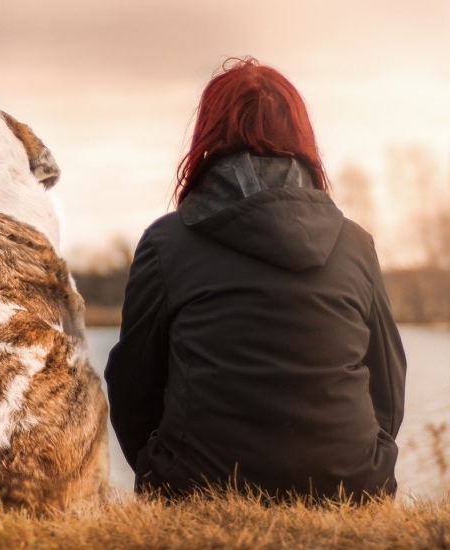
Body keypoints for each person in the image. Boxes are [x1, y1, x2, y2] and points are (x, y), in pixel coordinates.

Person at [104, 57, 406, 502]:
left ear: (208, 136)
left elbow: (132, 387)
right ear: (301, 137)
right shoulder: (355, 244)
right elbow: (388, 385)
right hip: (350, 487)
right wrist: (364, 461)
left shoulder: (167, 243)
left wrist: (160, 468)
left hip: (197, 487)